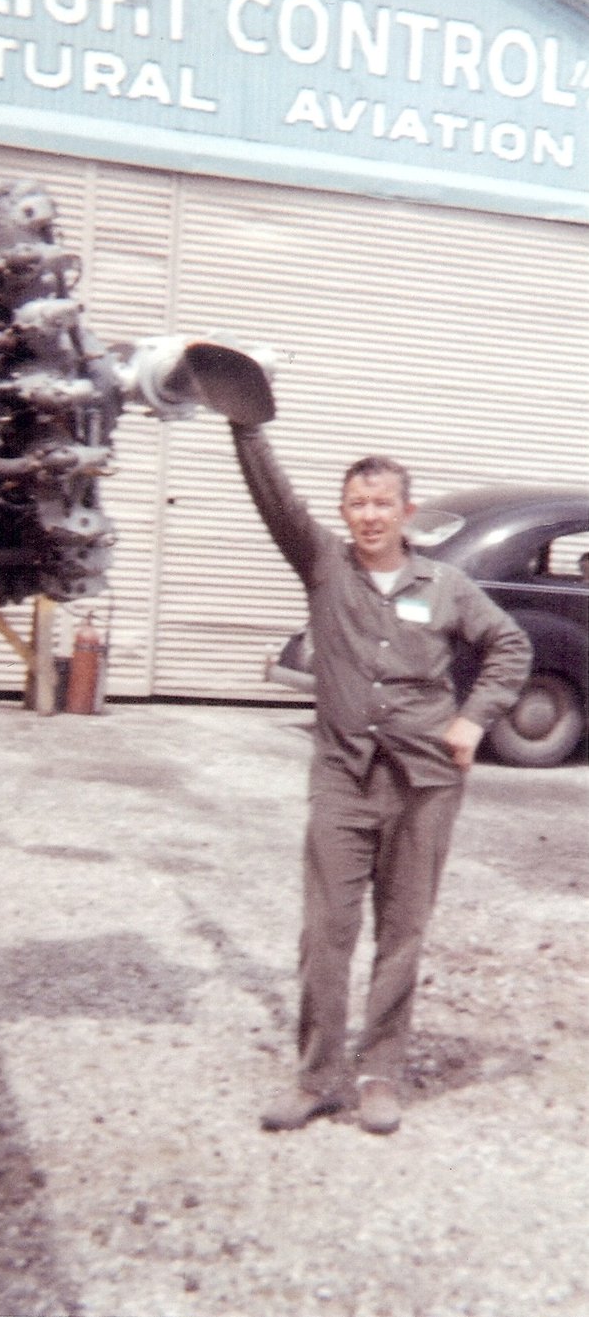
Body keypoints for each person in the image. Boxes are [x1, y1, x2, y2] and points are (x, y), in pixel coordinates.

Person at [227, 422, 533, 1135]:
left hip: (424, 782)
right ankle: (316, 1076)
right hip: (341, 779)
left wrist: (474, 719)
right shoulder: (325, 568)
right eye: (356, 502)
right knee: (325, 931)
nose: (369, 514)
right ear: (344, 512)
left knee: (402, 931)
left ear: (406, 511)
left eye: (381, 502)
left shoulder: (446, 586)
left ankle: (381, 1075)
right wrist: (247, 429)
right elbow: (275, 502)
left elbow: (508, 645)